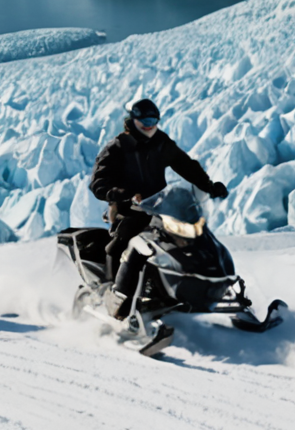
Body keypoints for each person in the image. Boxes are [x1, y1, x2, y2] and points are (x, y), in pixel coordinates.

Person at [88, 98, 227, 317]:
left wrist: (209, 187)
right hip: (128, 209)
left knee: (194, 237)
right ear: (133, 120)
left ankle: (214, 285)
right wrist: (117, 193)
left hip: (160, 207)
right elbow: (98, 181)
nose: (149, 124)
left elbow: (186, 166)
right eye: (144, 120)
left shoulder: (161, 142)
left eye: (153, 119)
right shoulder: (117, 147)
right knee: (126, 243)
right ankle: (117, 298)